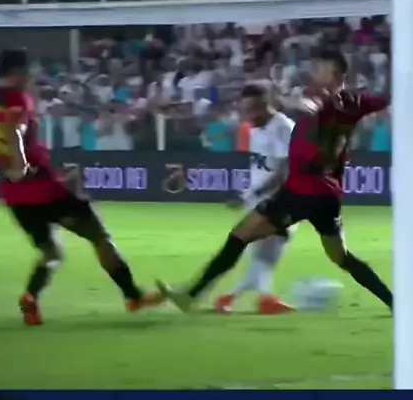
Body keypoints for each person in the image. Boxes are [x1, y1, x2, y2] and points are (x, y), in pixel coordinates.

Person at [157, 50, 393, 314]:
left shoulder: (329, 103)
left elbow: (314, 107)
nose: (315, 73)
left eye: (321, 69)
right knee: (341, 257)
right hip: (325, 196)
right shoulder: (349, 101)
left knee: (239, 237)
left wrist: (297, 101)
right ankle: (395, 302)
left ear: (336, 75)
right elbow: (385, 98)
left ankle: (192, 295)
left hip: (302, 192)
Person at [0, 48, 157, 325]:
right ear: (18, 72)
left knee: (51, 253)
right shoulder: (18, 99)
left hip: (14, 196)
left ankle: (31, 297)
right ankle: (133, 295)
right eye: (27, 73)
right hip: (42, 187)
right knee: (99, 236)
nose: (30, 78)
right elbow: (16, 132)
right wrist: (20, 164)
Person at [214, 84, 296, 315]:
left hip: (277, 197)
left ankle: (231, 298)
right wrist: (250, 195)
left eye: (254, 109)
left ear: (267, 104)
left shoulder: (283, 128)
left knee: (265, 257)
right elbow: (266, 170)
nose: (249, 115)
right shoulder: (255, 129)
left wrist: (248, 195)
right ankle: (265, 299)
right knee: (267, 255)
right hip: (266, 201)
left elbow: (284, 172)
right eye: (246, 110)